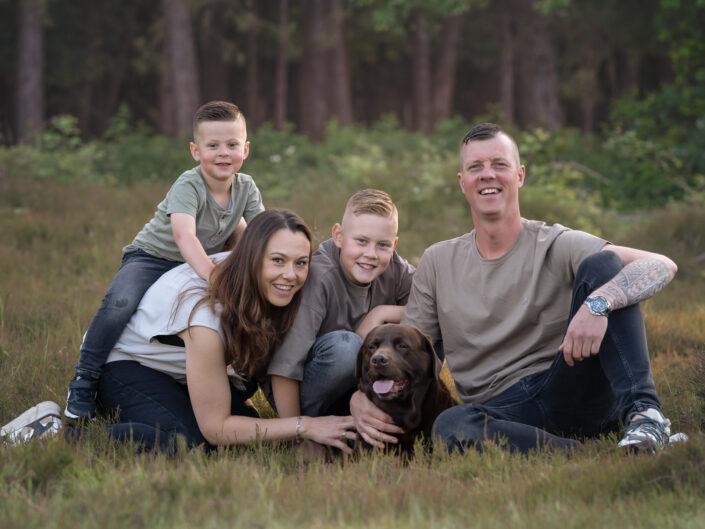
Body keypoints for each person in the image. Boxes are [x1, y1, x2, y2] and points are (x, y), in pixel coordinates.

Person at [350, 123, 685, 454]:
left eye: (500, 164)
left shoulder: (554, 242)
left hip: (569, 385)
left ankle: (645, 418)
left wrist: (598, 304)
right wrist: (360, 396)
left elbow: (660, 264)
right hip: (502, 412)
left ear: (520, 175)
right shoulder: (437, 262)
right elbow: (412, 357)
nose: (487, 175)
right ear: (462, 182)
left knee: (604, 265)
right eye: (475, 167)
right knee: (451, 425)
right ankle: (583, 454)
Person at [1, 210, 355, 453]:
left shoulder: (272, 289)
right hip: (126, 367)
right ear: (251, 258)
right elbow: (216, 427)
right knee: (189, 442)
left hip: (181, 371)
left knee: (251, 432)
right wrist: (304, 426)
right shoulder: (206, 314)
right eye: (277, 261)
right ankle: (57, 434)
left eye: (301, 262)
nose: (291, 275)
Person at [65, 101, 264, 421]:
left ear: (246, 149)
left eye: (232, 144)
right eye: (212, 145)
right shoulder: (189, 184)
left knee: (241, 300)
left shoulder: (246, 188)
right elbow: (185, 236)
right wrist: (214, 277)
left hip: (197, 260)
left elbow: (259, 234)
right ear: (195, 151)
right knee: (121, 301)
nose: (223, 153)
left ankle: (236, 371)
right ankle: (85, 378)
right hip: (154, 257)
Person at [267, 189, 415, 428]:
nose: (371, 254)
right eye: (361, 241)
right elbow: (284, 367)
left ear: (394, 245)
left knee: (427, 338)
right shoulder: (319, 276)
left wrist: (381, 314)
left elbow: (437, 307)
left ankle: (402, 415)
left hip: (354, 384)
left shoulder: (396, 268)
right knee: (347, 347)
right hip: (301, 388)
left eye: (383, 245)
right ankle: (315, 422)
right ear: (338, 236)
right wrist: (296, 432)